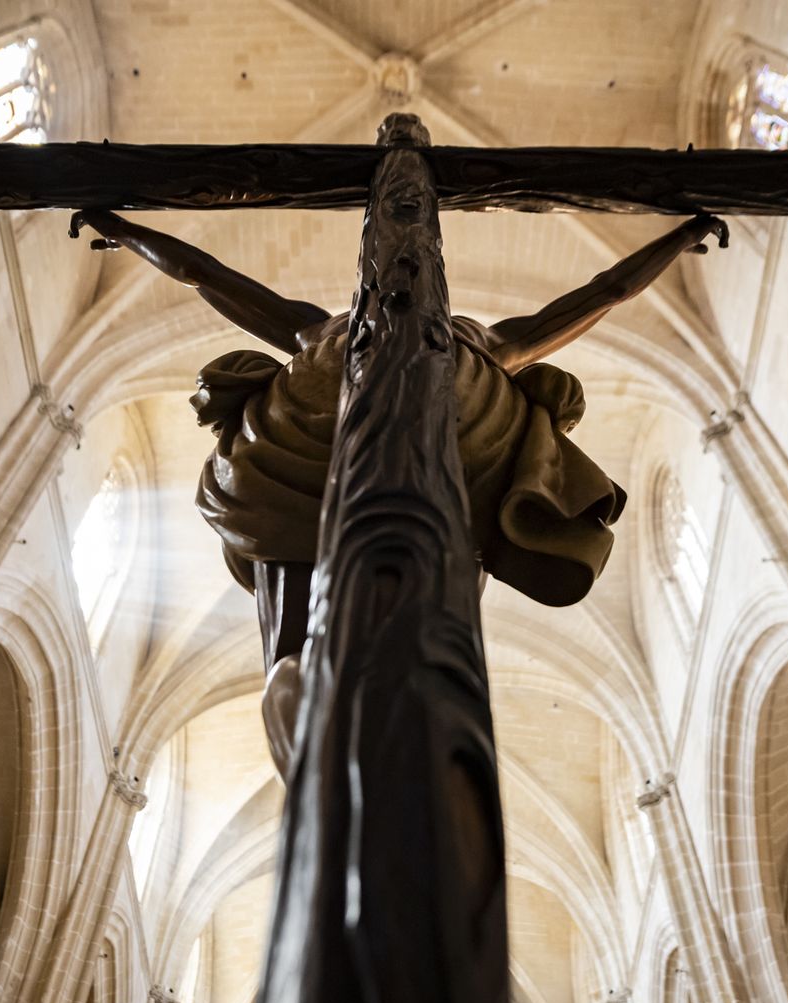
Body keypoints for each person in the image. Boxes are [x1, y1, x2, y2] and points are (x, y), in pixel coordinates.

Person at [70, 207, 727, 773]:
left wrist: (677, 240)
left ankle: (390, 684)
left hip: (422, 463)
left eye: (411, 266)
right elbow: (204, 275)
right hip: (315, 463)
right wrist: (124, 231)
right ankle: (296, 685)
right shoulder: (334, 331)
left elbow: (605, 291)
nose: (400, 273)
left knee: (439, 557)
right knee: (308, 575)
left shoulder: (461, 339)